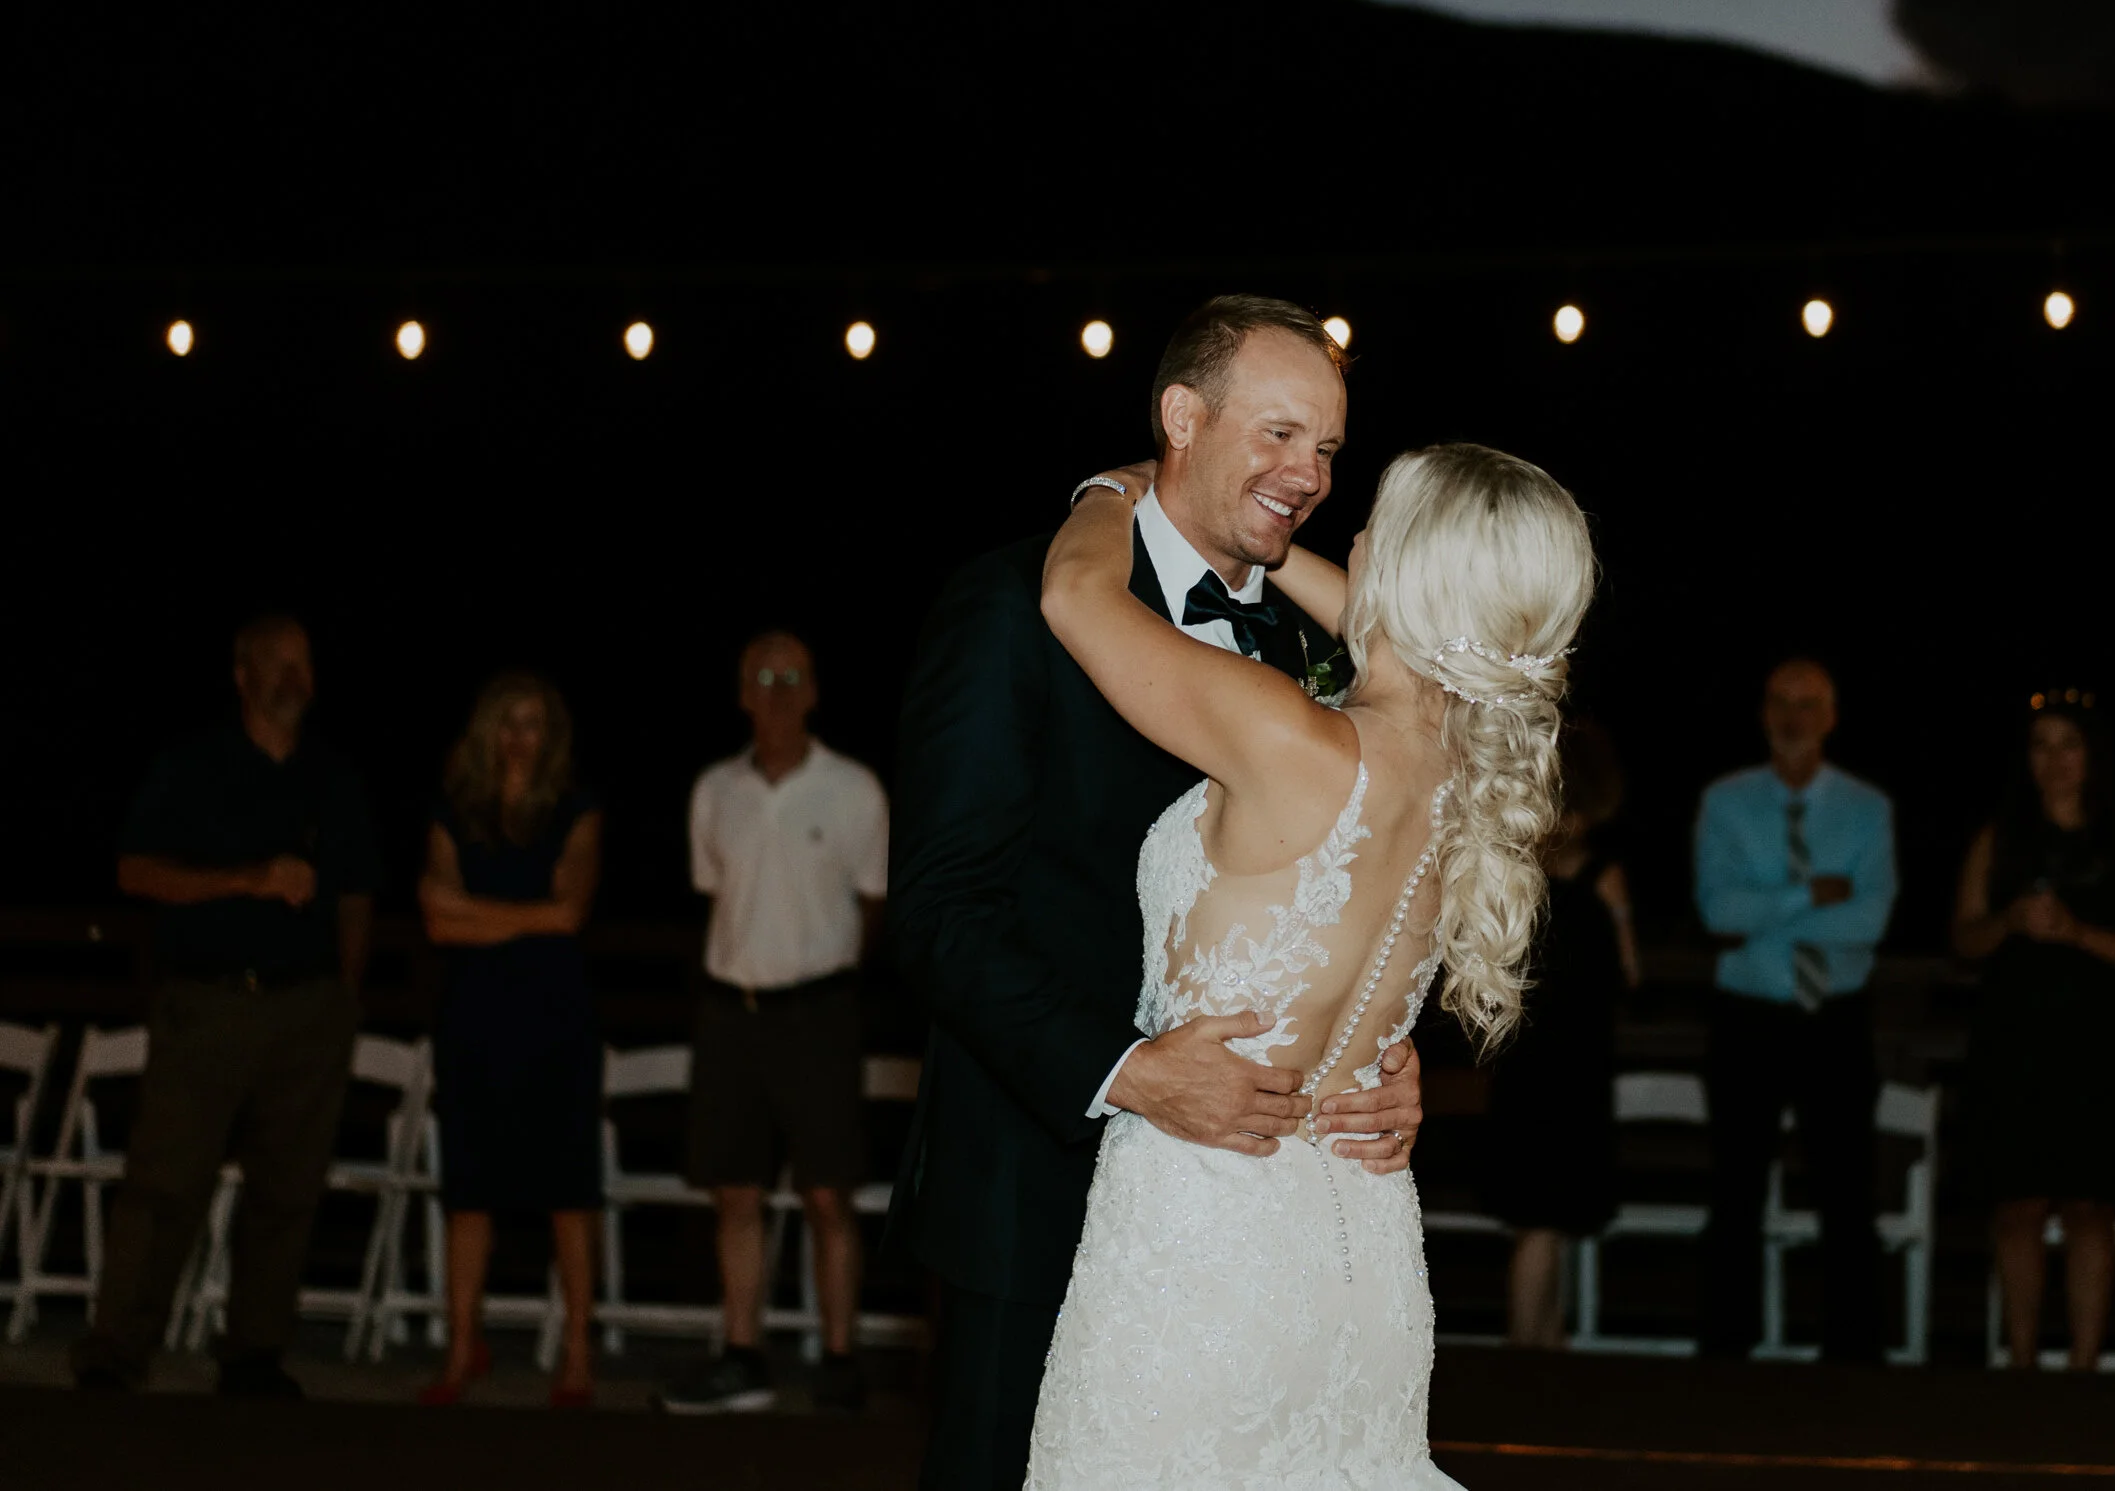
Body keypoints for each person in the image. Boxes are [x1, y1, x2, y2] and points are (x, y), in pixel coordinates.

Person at [888, 296, 1427, 1491]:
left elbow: (1349, 883)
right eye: (1282, 434)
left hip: (1250, 1213)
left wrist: (1376, 1039)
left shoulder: (1313, 641)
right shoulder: (1008, 607)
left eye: (1330, 449)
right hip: (1041, 1174)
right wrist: (1128, 1071)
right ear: (1181, 418)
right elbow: (937, 912)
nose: (1310, 474)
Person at [1023, 439, 1596, 1487]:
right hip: (1356, 1240)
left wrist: (1125, 485)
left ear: (1411, 567)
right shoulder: (1461, 770)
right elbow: (1407, 638)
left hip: (1204, 1236)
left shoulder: (1286, 735)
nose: (1354, 528)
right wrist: (1265, 541)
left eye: (1378, 516)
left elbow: (1073, 596)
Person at [70, 614, 378, 1397]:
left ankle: (253, 1351)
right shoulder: (193, 764)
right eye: (276, 663)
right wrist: (245, 879)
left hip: (306, 1010)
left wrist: (345, 994)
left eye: (303, 663)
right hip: (209, 1002)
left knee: (287, 1187)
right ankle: (116, 1349)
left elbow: (355, 895)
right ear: (241, 675)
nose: (292, 675)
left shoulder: (333, 775)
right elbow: (136, 871)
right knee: (166, 1181)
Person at [660, 631, 888, 1416]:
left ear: (815, 689)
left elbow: (873, 901)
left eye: (793, 675)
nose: (779, 689)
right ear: (742, 694)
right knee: (735, 1190)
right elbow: (711, 888)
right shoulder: (714, 791)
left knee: (829, 1195)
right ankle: (742, 1352)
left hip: (817, 1012)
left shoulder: (855, 790)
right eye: (762, 676)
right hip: (731, 1009)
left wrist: (829, 975)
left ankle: (838, 1356)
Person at [1951, 692, 2115, 1372]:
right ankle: (2021, 1363)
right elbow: (1963, 937)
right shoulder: (1999, 837)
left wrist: (2079, 932)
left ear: (2091, 757)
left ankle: (2082, 1367)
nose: (2054, 760)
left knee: (2089, 1206)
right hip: (2012, 1037)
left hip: (2092, 1040)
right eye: (2041, 744)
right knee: (2016, 1205)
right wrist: (2010, 924)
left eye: (2068, 744)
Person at [1692, 658, 1896, 1362]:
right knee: (1736, 1184)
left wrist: (1769, 906)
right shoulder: (1726, 800)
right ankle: (1726, 1348)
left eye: (1809, 703)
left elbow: (1869, 921)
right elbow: (1719, 911)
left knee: (1846, 1189)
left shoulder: (1868, 810)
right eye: (1780, 701)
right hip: (1748, 1013)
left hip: (1834, 1015)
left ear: (1832, 716)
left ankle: (1852, 1353)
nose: (1793, 716)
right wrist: (1811, 893)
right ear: (1762, 711)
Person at [416, 672, 604, 1408]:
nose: (520, 736)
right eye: (508, 722)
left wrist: (477, 913)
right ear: (485, 732)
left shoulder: (578, 811)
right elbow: (435, 916)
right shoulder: (451, 813)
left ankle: (579, 1353)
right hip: (473, 1013)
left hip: (555, 1014)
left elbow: (569, 913)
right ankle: (464, 1345)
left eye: (534, 723)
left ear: (550, 736)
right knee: (469, 1188)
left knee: (567, 1187)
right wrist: (522, 912)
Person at [1482, 716, 1640, 1347]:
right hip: (1573, 1069)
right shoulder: (1602, 875)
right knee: (1545, 1223)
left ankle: (1547, 1350)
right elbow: (1629, 971)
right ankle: (1530, 1359)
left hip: (1522, 1064)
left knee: (1538, 1222)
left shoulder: (1507, 869)